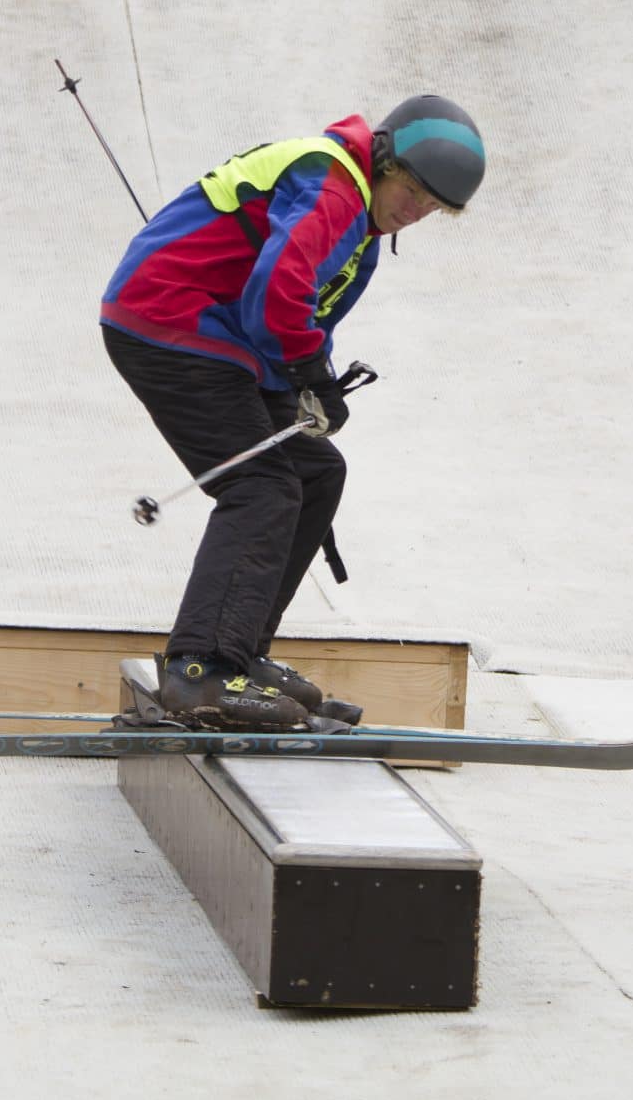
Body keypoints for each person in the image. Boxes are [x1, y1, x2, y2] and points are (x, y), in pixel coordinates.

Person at [100, 95, 486, 729]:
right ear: (383, 160)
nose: (414, 213)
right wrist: (309, 371)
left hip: (216, 339)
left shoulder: (357, 216)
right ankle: (200, 672)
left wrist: (309, 385)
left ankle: (239, 655)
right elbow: (280, 288)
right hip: (170, 325)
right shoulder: (334, 185)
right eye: (412, 191)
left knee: (313, 471)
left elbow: (304, 308)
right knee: (261, 486)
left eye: (432, 208)